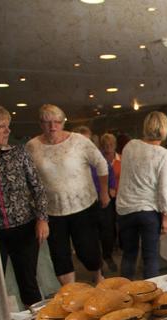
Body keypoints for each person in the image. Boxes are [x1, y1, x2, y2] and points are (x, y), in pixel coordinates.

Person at [26, 104, 108, 285]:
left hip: (83, 205)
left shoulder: (78, 141)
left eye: (57, 122)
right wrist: (38, 212)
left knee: (88, 250)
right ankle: (70, 291)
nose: (52, 126)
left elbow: (101, 164)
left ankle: (98, 277)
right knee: (60, 255)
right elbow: (30, 179)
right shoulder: (32, 146)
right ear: (40, 124)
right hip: (52, 210)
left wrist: (104, 192)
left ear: (63, 122)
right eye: (47, 122)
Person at [0, 104, 49, 307]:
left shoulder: (18, 153)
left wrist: (42, 219)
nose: (7, 131)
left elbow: (38, 187)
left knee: (28, 283)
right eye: (1, 126)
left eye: (8, 126)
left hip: (24, 228)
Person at [115, 111, 167, 280]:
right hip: (148, 210)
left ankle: (124, 292)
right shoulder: (164, 155)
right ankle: (151, 293)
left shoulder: (130, 146)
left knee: (128, 255)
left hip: (125, 209)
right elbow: (164, 188)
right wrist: (166, 216)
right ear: (164, 128)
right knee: (150, 258)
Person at [76, 127, 118, 273]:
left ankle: (107, 256)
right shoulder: (73, 158)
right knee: (90, 234)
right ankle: (97, 266)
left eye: (87, 140)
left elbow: (109, 171)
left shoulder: (97, 155)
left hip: (102, 198)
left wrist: (110, 187)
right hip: (83, 201)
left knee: (107, 231)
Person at [99, 133, 121, 272]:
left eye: (111, 144)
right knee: (107, 226)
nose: (108, 147)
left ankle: (116, 248)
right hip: (104, 197)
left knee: (118, 224)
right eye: (105, 145)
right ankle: (106, 255)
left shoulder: (121, 159)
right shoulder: (98, 159)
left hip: (120, 196)